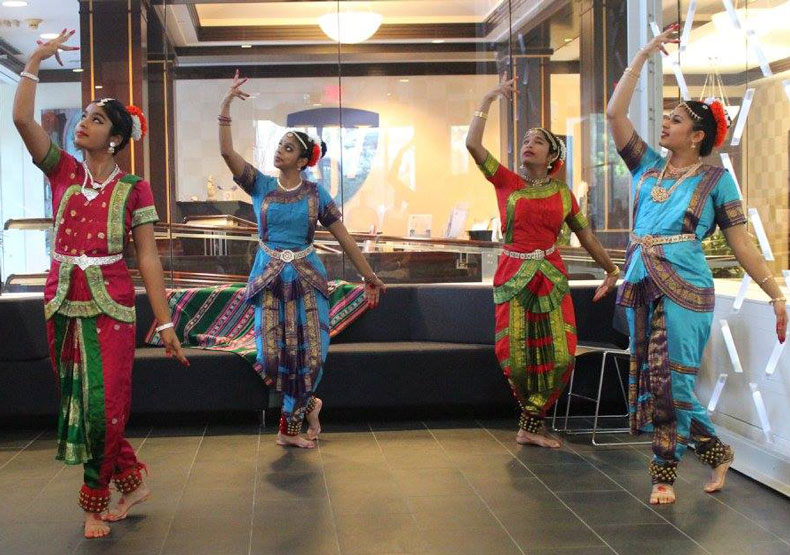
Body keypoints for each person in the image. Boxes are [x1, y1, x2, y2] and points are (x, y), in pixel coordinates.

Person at [12, 30, 188, 538]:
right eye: (83, 116)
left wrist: (165, 319)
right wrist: (35, 62)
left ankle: (95, 501)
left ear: (115, 137)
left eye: (95, 118)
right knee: (81, 398)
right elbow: (23, 118)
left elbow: (149, 256)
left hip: (110, 303)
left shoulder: (135, 188)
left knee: (103, 403)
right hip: (62, 298)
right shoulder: (62, 170)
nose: (82, 124)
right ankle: (131, 479)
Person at [607, 24, 787, 505]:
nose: (664, 123)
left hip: (686, 286)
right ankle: (716, 450)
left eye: (676, 119)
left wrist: (775, 293)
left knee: (672, 381)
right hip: (643, 282)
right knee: (657, 380)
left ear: (698, 135)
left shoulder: (717, 181)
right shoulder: (647, 166)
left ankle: (664, 475)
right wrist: (644, 52)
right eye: (666, 116)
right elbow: (613, 112)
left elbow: (743, 245)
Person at [218, 70, 385, 448]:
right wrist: (225, 108)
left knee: (310, 356)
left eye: (288, 148)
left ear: (302, 160)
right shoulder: (259, 185)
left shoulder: (316, 193)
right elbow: (228, 153)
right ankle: (311, 405)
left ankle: (289, 429)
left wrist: (369, 275)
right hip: (269, 277)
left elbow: (344, 238)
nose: (280, 151)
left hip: (308, 278)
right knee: (272, 356)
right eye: (279, 145)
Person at [466, 74, 620, 449]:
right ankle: (530, 423)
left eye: (537, 141)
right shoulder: (506, 183)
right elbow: (472, 143)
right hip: (514, 275)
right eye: (524, 141)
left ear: (553, 156)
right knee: (515, 355)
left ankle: (532, 426)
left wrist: (612, 269)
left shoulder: (564, 194)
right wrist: (486, 101)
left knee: (560, 354)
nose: (528, 145)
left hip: (550, 278)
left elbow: (586, 237)